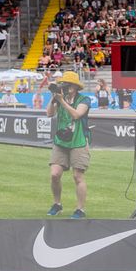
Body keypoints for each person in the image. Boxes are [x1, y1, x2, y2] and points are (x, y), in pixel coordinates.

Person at [47, 70, 92, 219]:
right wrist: (54, 98)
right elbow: (49, 114)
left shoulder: (84, 99)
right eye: (63, 84)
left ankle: (80, 209)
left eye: (68, 84)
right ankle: (57, 204)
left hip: (78, 141)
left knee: (78, 176)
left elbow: (76, 115)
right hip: (61, 141)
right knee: (54, 174)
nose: (65, 86)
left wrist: (62, 101)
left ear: (75, 86)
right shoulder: (61, 97)